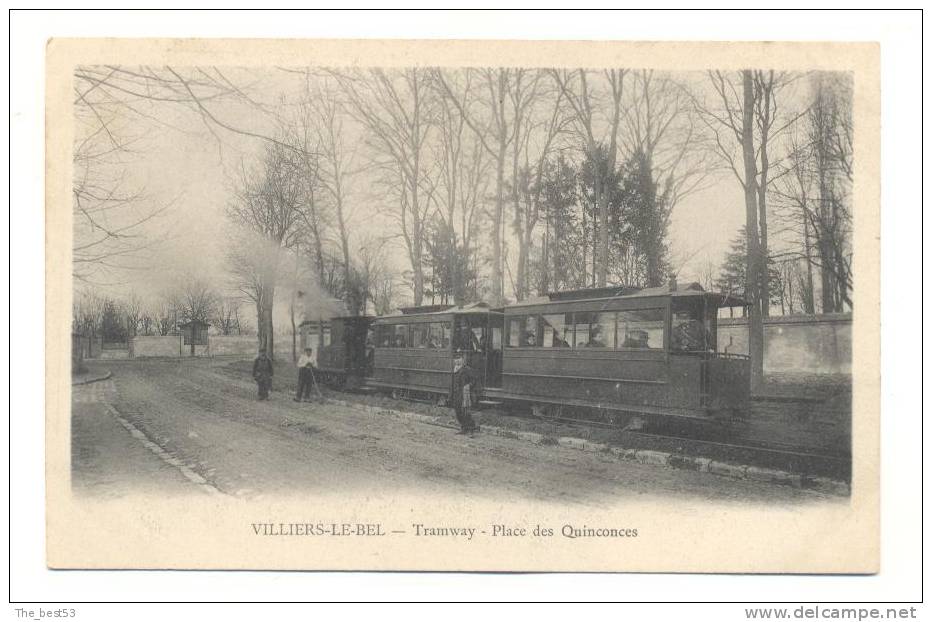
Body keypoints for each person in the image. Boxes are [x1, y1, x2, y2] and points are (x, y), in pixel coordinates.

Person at [451, 357, 480, 434]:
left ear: (463, 360)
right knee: (458, 412)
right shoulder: (454, 370)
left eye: (459, 359)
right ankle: (463, 428)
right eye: (456, 359)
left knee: (465, 412)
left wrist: (468, 386)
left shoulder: (467, 369)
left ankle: (471, 428)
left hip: (464, 394)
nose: (457, 361)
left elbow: (474, 379)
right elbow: (453, 383)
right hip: (456, 394)